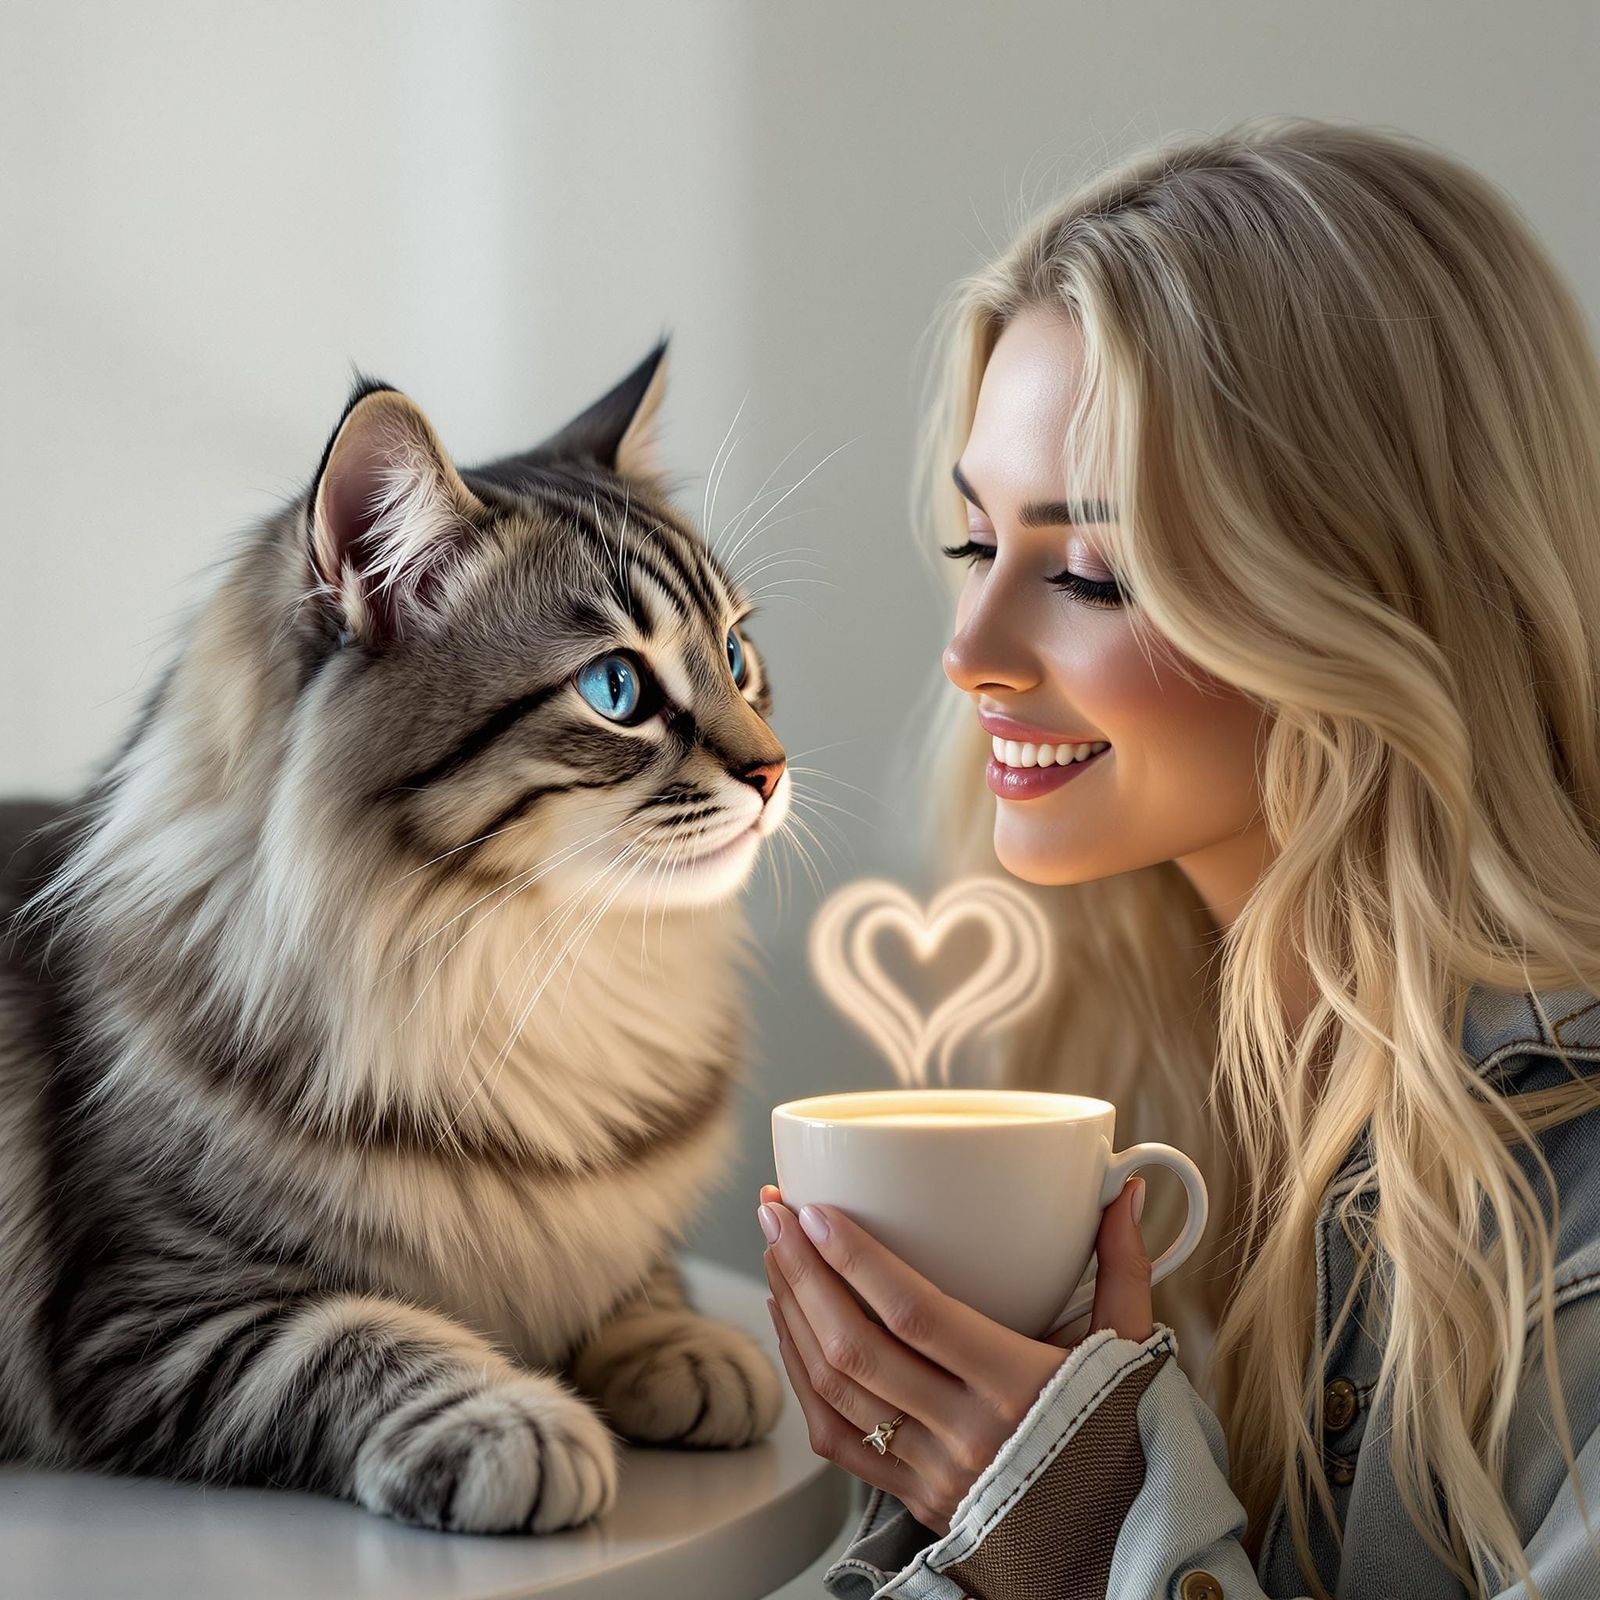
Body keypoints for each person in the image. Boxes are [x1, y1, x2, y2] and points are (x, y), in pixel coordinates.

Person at [756, 115, 1600, 1600]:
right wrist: (951, 1521)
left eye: (1089, 571)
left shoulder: (1567, 1227)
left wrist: (1080, 1521)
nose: (970, 656)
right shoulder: (1124, 1078)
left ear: (1362, 599)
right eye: (976, 548)